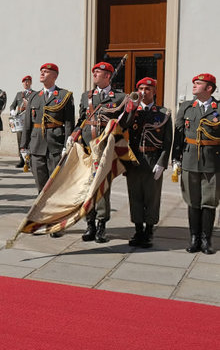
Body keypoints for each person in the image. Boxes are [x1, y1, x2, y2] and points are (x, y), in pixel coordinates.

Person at [74, 61, 136, 243]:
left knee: (102, 186)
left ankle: (101, 225)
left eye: (98, 72)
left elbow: (124, 123)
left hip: (105, 148)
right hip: (87, 147)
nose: (94, 74)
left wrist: (131, 111)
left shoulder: (119, 97)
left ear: (108, 75)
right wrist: (74, 136)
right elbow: (82, 119)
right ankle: (90, 223)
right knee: (87, 185)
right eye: (93, 71)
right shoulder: (87, 96)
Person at [172, 73, 219, 255]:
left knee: (209, 201)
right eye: (194, 83)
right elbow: (179, 134)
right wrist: (175, 158)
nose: (194, 85)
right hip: (190, 159)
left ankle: (206, 240)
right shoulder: (186, 107)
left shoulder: (218, 108)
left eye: (198, 83)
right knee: (193, 200)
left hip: (213, 161)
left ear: (209, 88)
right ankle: (194, 238)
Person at [125, 77, 172, 248]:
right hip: (134, 159)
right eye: (141, 89)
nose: (144, 92)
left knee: (152, 197)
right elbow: (122, 127)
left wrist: (162, 162)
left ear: (154, 92)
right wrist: (131, 108)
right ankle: (138, 230)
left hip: (153, 159)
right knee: (135, 195)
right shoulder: (132, 111)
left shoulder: (163, 113)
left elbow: (167, 141)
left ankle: (149, 230)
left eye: (147, 89)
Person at [21, 64, 74, 192]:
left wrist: (67, 145)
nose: (42, 73)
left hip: (55, 144)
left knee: (56, 184)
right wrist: (23, 146)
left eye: (46, 71)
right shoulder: (34, 96)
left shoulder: (64, 95)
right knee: (40, 182)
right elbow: (27, 124)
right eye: (41, 71)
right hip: (37, 144)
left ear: (55, 76)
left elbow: (68, 123)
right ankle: (42, 209)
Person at [9, 75, 34, 168]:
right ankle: (22, 160)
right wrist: (12, 112)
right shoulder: (19, 94)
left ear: (31, 83)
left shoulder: (34, 94)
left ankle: (30, 159)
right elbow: (12, 105)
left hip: (30, 120)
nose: (26, 83)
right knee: (20, 141)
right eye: (24, 82)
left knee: (30, 140)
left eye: (28, 81)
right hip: (20, 121)